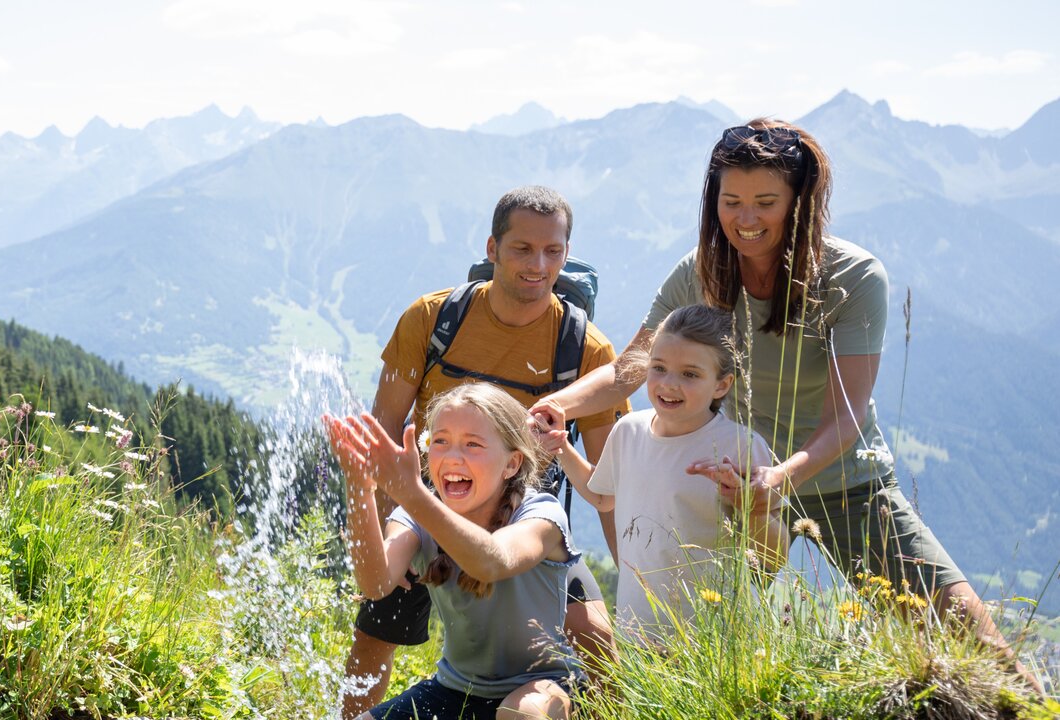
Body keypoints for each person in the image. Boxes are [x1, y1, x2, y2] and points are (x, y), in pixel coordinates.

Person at [529, 118, 1039, 688]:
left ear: (801, 200)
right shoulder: (700, 270)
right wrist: (559, 407)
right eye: (731, 202)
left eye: (766, 202)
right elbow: (630, 368)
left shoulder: (852, 277)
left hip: (844, 482)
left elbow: (847, 416)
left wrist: (777, 479)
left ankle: (1028, 700)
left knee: (968, 636)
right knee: (698, 652)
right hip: (730, 485)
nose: (746, 220)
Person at [344, 186, 628, 719]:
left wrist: (634, 578)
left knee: (597, 643)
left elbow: (613, 479)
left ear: (567, 254)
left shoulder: (587, 349)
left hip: (525, 517)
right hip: (434, 499)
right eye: (522, 248)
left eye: (553, 251)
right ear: (492, 248)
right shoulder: (432, 320)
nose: (538, 265)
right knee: (374, 637)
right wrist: (388, 520)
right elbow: (384, 433)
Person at [326, 383, 582, 719]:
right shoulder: (415, 515)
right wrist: (358, 485)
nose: (452, 457)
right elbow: (375, 583)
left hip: (545, 686)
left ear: (511, 464)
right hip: (456, 689)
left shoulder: (541, 514)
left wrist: (414, 495)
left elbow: (492, 562)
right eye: (440, 441)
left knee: (522, 716)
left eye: (473, 444)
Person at [537, 304, 787, 640]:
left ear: (721, 385)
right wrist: (562, 448)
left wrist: (748, 504)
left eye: (690, 374)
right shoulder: (628, 431)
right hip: (640, 632)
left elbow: (776, 553)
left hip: (718, 638)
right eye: (659, 368)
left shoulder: (739, 446)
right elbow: (601, 496)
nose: (668, 384)